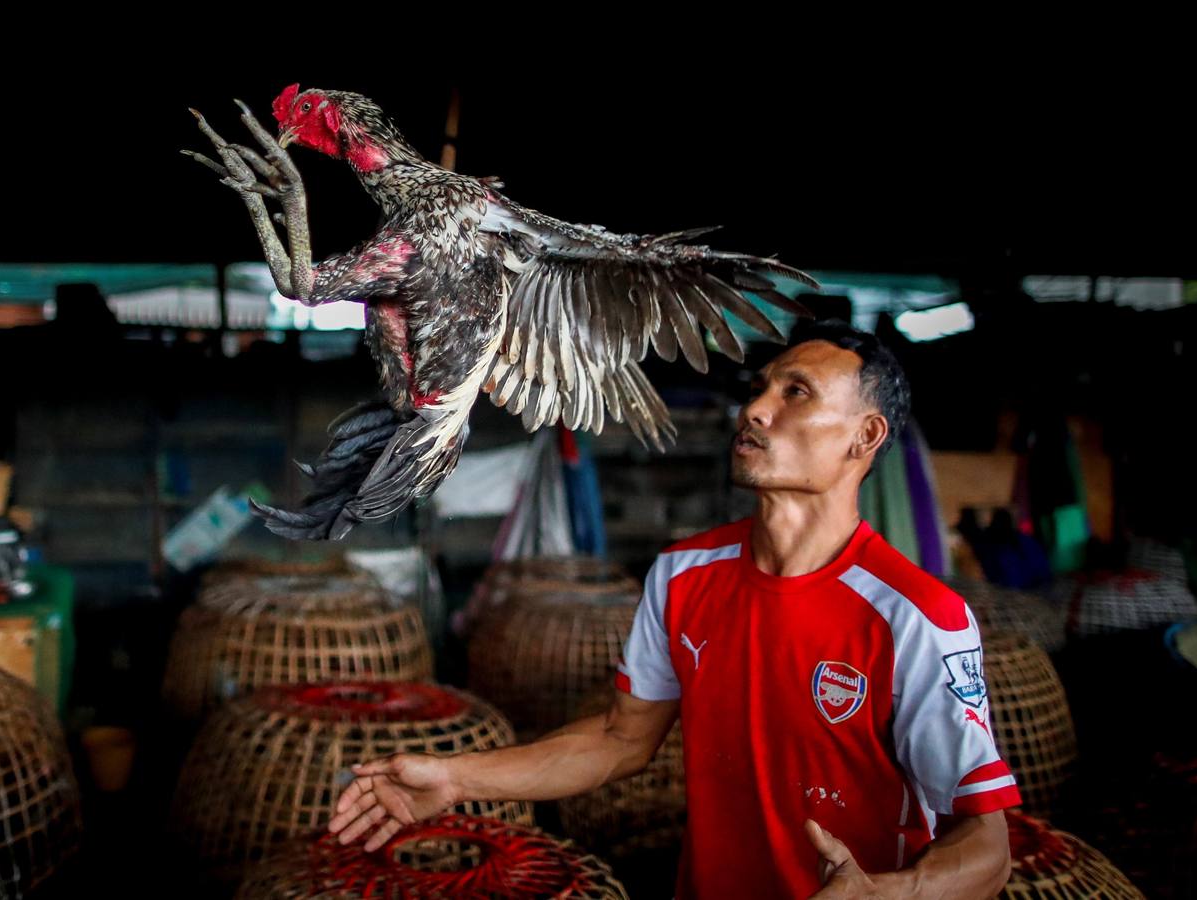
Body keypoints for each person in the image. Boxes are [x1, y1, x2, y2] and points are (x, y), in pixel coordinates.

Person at [327, 319, 1019, 898]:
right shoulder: (683, 576)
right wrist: (452, 778)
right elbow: (619, 742)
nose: (755, 409)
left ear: (864, 438)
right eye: (760, 390)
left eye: (796, 393)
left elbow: (987, 845)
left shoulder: (916, 616)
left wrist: (891, 892)